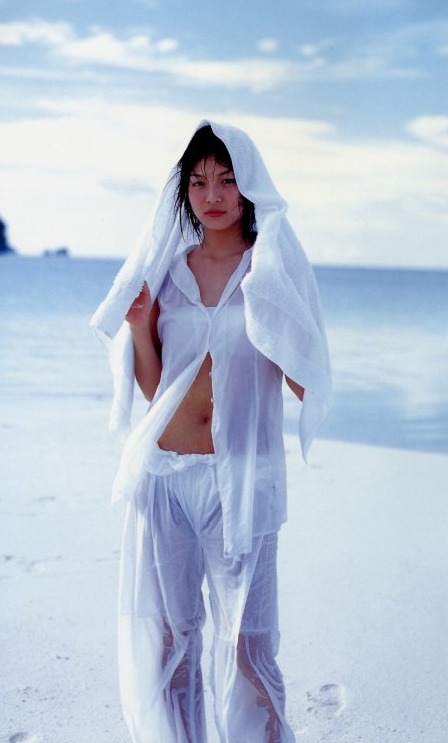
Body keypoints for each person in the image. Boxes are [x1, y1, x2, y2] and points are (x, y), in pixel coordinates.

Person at [90, 121, 331, 743]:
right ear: (184, 192)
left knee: (249, 646)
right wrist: (139, 326)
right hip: (165, 475)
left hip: (243, 480)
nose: (213, 195)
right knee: (170, 640)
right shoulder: (170, 271)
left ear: (249, 186)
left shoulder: (270, 270)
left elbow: (305, 381)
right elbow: (157, 389)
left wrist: (278, 320)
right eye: (198, 182)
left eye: (226, 179)